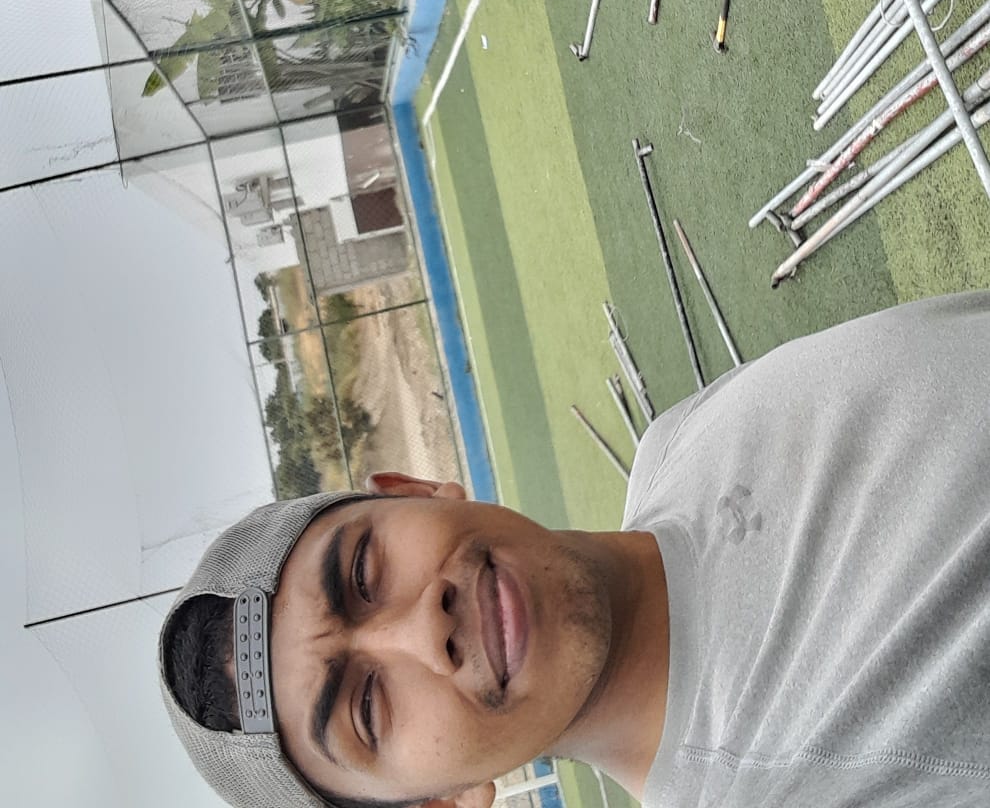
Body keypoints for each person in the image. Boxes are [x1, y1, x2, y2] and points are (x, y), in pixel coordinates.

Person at [160, 291, 990, 808]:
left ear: (413, 488)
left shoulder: (678, 445)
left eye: (363, 572)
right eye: (367, 710)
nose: (422, 631)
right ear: (441, 805)